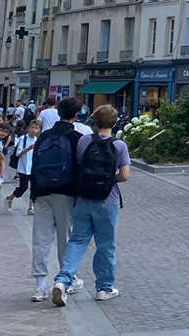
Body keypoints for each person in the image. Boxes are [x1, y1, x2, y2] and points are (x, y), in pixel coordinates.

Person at [51, 104, 130, 306]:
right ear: (114, 123)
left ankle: (62, 280)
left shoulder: (84, 141)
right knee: (105, 245)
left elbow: (79, 166)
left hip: (84, 198)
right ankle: (104, 287)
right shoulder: (119, 145)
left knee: (77, 241)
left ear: (94, 122)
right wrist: (109, 179)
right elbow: (125, 175)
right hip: (107, 200)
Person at [30, 96, 87, 302]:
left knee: (41, 239)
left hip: (42, 191)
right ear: (76, 114)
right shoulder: (76, 137)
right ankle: (64, 281)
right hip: (65, 192)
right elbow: (80, 168)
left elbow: (35, 166)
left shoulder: (43, 137)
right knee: (66, 239)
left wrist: (33, 193)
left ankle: (39, 286)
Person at [7, 119, 41, 213]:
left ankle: (31, 207)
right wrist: (28, 149)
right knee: (23, 188)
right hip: (23, 168)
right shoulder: (23, 139)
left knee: (34, 188)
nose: (34, 130)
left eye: (36, 128)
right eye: (32, 127)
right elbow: (18, 154)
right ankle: (10, 198)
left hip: (33, 168)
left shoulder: (37, 140)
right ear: (29, 128)